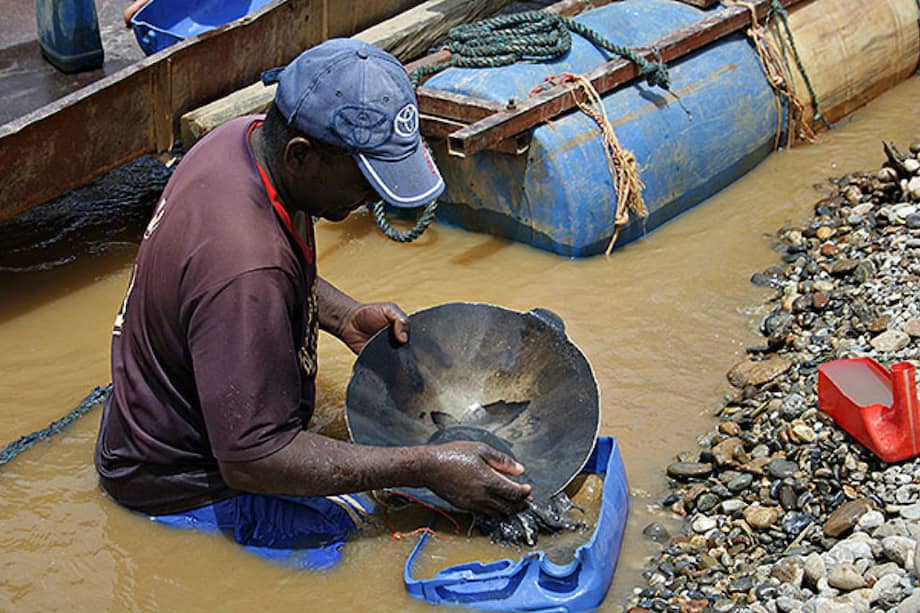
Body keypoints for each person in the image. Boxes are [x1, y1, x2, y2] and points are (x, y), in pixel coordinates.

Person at [94, 39, 531, 557]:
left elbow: (255, 277)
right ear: (300, 156)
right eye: (366, 181)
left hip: (148, 427)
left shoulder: (241, 141)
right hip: (182, 482)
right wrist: (424, 466)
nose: (373, 200)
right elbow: (251, 459)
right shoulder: (245, 265)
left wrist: (343, 316)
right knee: (372, 538)